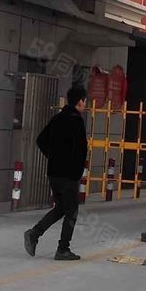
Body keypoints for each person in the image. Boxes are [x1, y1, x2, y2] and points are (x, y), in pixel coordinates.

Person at [24, 85, 88, 261]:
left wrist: (53, 157)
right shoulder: (76, 121)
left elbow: (41, 140)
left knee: (61, 208)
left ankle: (34, 233)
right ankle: (63, 249)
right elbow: (81, 151)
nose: (85, 104)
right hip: (68, 175)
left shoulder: (57, 118)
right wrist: (76, 170)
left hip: (54, 173)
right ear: (80, 101)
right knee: (72, 210)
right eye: (84, 101)